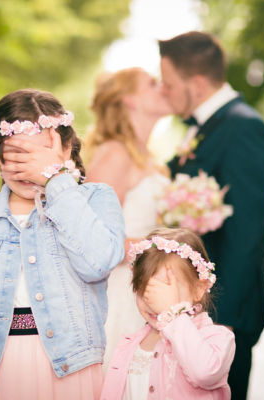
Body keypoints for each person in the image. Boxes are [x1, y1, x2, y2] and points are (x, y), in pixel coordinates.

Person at [0, 89, 126, 400]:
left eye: (40, 154)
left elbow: (98, 262)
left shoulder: (95, 200)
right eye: (16, 154)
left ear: (67, 149)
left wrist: (56, 180)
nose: (28, 167)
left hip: (71, 371)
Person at [159, 31, 264, 399]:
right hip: (192, 309)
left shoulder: (245, 128)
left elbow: (247, 235)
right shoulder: (204, 130)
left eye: (169, 84)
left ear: (196, 83)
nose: (165, 92)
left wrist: (216, 320)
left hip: (223, 315)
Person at [83, 67, 172, 365]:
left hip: (154, 287)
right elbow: (94, 238)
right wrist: (163, 254)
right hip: (125, 291)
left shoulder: (151, 160)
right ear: (130, 100)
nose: (163, 87)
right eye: (152, 84)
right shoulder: (115, 154)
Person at [100, 227, 235, 399]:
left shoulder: (217, 338)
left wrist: (173, 314)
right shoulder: (130, 343)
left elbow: (204, 373)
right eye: (147, 291)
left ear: (198, 289)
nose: (155, 304)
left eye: (166, 292)